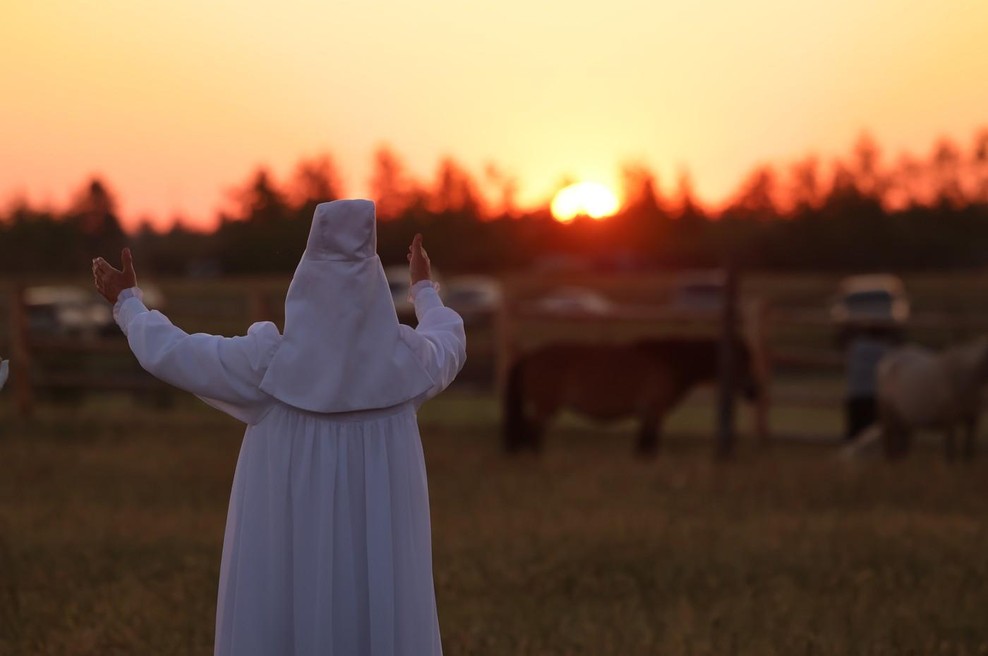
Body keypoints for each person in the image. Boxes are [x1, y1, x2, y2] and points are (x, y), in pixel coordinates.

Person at [91, 199, 466, 656]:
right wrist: (425, 289)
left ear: (306, 280)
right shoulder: (408, 365)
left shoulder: (266, 366)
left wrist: (128, 304)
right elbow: (450, 338)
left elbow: (174, 352)